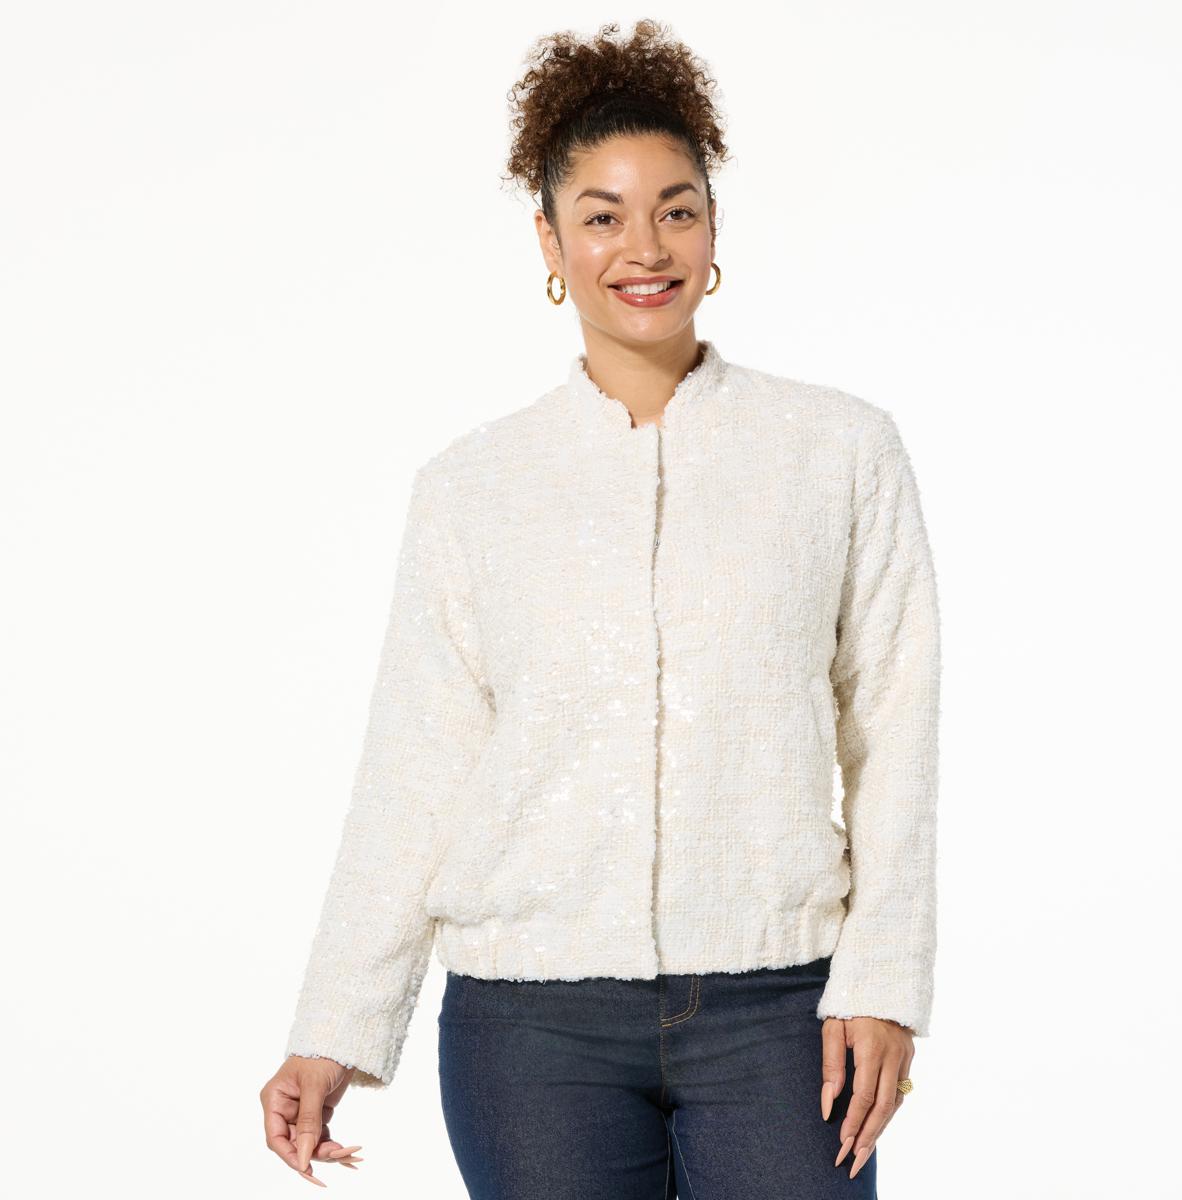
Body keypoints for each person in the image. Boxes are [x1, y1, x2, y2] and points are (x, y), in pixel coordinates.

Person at [259, 18, 941, 1199]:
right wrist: (333, 1029)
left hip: (779, 1007)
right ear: (550, 239)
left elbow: (893, 726)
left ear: (715, 227)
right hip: (531, 1029)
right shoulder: (473, 488)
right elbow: (416, 770)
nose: (645, 248)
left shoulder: (838, 452)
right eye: (603, 215)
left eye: (677, 210)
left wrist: (883, 981)